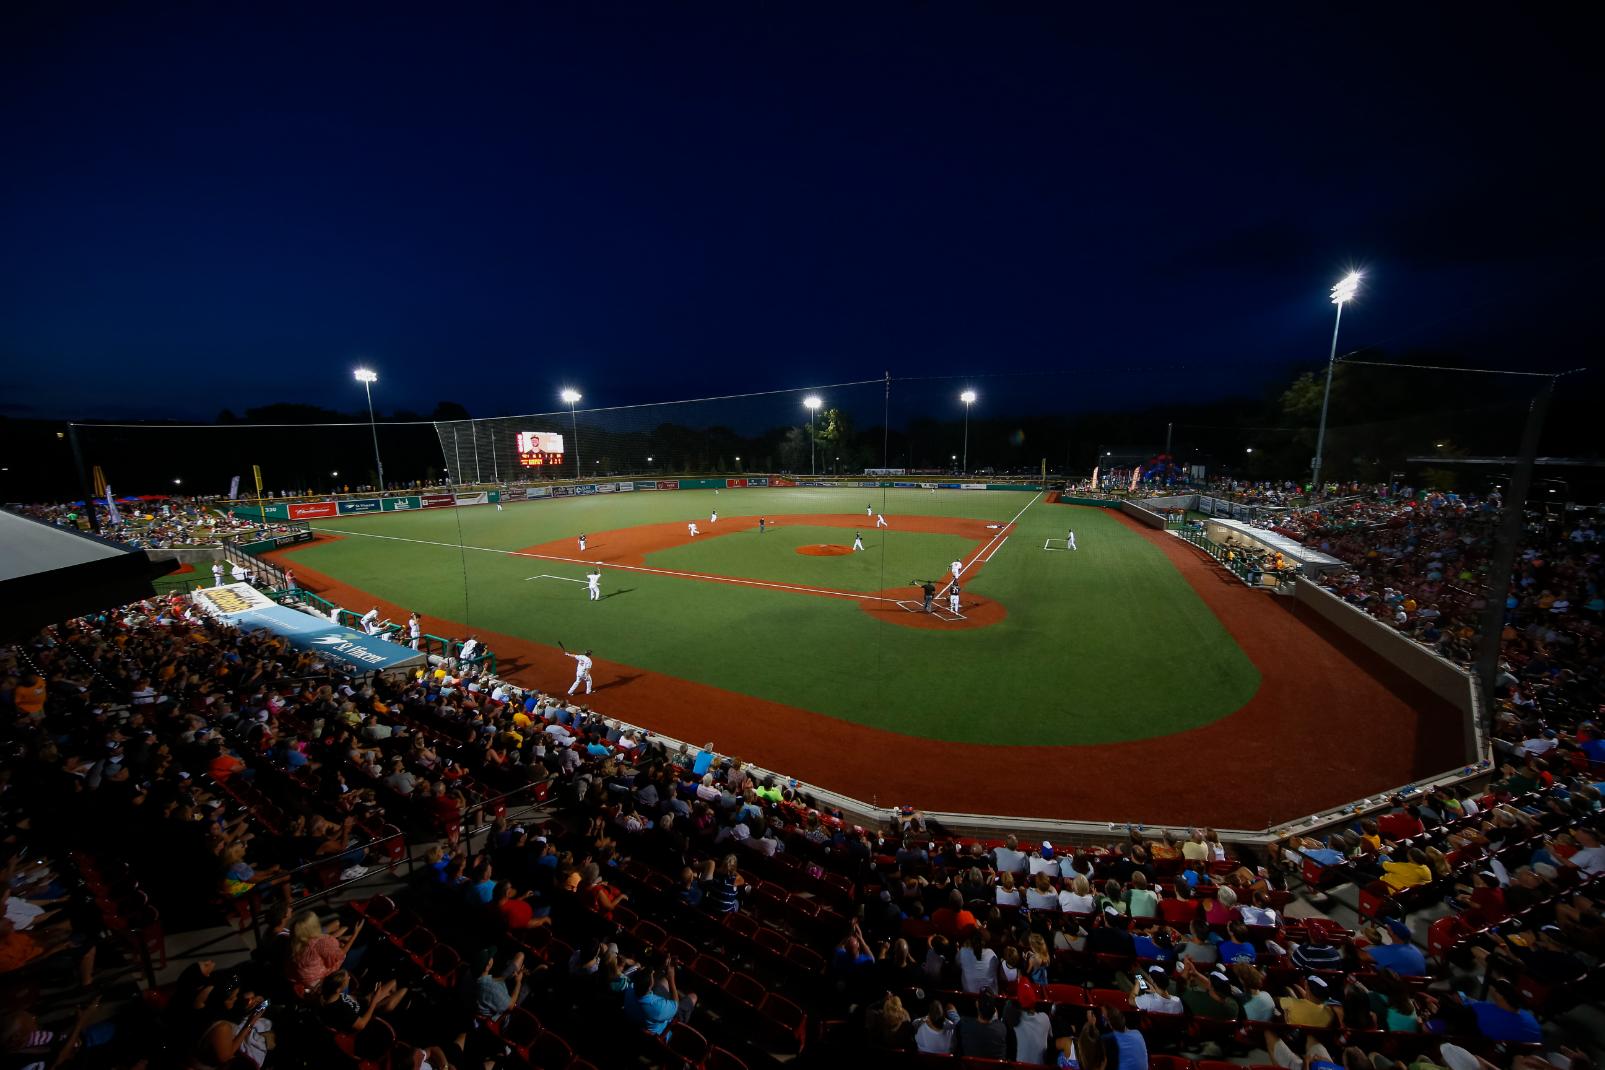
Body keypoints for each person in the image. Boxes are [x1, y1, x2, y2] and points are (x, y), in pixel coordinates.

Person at [622, 956, 697, 1035]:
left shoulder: (630, 989)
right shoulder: (658, 1007)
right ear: (650, 987)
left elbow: (649, 981)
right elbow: (675, 1006)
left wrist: (662, 968)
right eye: (652, 976)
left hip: (641, 1018)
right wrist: (671, 979)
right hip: (664, 1027)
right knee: (693, 997)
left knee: (663, 980)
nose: (653, 975)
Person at [957, 992, 1006, 1060]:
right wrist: (995, 1019)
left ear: (977, 1005)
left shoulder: (964, 1023)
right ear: (994, 1010)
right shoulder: (1002, 1028)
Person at [1099, 1005, 1147, 1070]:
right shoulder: (1138, 1033)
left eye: (1103, 1018)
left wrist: (1091, 1025)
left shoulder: (1106, 1039)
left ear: (1109, 1024)